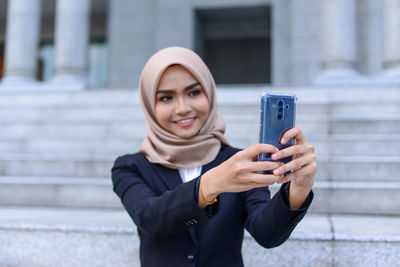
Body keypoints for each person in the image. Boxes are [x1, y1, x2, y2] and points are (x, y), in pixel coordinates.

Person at [111, 47, 316, 267]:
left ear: (210, 93)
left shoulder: (239, 162)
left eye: (194, 93)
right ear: (150, 106)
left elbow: (267, 233)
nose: (183, 108)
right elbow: (149, 218)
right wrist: (211, 184)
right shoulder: (130, 166)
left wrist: (299, 188)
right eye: (166, 97)